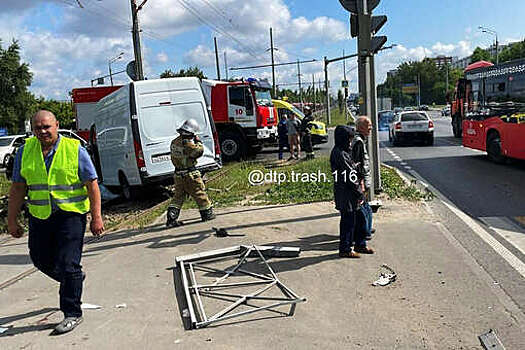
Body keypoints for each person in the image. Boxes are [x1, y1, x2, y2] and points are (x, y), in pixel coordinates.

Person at [7, 110, 104, 335]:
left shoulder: (74, 149)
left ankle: (72, 312)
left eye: (47, 127)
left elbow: (92, 185)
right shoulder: (24, 152)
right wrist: (12, 220)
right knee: (40, 258)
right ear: (33, 129)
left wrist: (96, 217)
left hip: (70, 215)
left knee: (69, 263)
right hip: (40, 216)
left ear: (57, 125)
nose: (43, 131)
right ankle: (73, 280)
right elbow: (18, 188)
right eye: (38, 127)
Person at [166, 119, 215, 227]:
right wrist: (198, 142)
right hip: (189, 174)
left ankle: (171, 217)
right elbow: (198, 152)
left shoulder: (175, 142)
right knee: (199, 193)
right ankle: (207, 214)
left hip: (178, 174)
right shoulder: (187, 144)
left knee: (178, 196)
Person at [330, 125, 365, 258]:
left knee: (355, 219)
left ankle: (357, 245)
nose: (350, 143)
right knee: (348, 222)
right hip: (346, 192)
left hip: (347, 191)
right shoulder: (340, 153)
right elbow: (350, 175)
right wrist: (359, 192)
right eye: (349, 140)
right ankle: (345, 248)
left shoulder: (342, 151)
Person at [352, 116, 376, 243]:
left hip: (363, 179)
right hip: (361, 180)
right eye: (369, 126)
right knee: (363, 207)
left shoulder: (360, 140)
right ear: (361, 127)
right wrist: (361, 181)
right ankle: (365, 232)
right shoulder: (359, 142)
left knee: (365, 205)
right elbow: (357, 164)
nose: (371, 128)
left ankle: (367, 229)